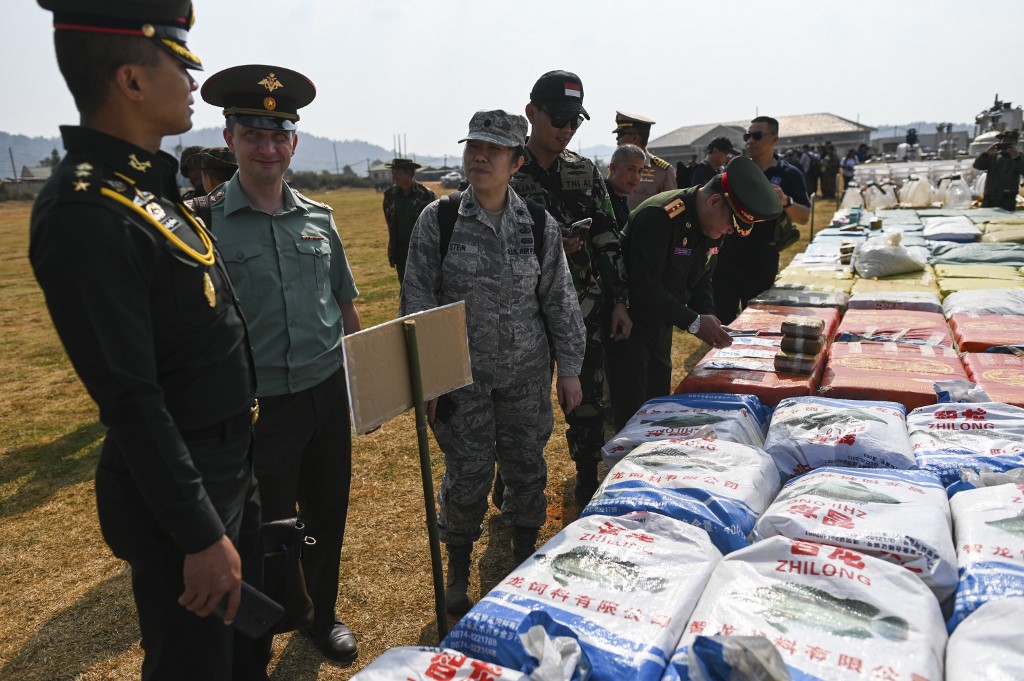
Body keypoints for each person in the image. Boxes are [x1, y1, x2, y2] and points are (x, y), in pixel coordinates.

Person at [29, 3, 267, 679]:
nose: (194, 80)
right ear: (132, 81)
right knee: (193, 664)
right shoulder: (87, 212)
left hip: (228, 465)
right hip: (181, 500)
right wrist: (198, 533)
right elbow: (132, 398)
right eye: (182, 64)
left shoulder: (149, 189)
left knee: (245, 653)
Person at [201, 64, 363, 664]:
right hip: (257, 406)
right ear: (230, 140)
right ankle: (264, 629)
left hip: (324, 394)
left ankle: (321, 614)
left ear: (294, 143)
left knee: (324, 514)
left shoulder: (319, 219)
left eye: (279, 135)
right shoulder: (206, 224)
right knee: (267, 528)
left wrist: (359, 385)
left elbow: (344, 302)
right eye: (253, 134)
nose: (267, 147)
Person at [401, 109, 585, 614]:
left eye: (494, 150)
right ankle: (458, 566)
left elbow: (559, 299)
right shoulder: (437, 220)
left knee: (527, 469)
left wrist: (569, 368)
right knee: (468, 473)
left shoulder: (541, 225)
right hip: (462, 380)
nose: (480, 157)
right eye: (473, 147)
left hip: (527, 376)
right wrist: (428, 378)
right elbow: (417, 299)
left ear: (516, 162)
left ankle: (524, 554)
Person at [510, 70, 632, 504]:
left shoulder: (584, 171)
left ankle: (585, 476)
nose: (565, 130)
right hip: (521, 315)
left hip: (584, 307)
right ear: (532, 113)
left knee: (589, 404)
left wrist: (619, 301)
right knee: (521, 408)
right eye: (557, 119)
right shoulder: (506, 173)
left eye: (574, 121)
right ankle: (513, 481)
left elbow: (608, 238)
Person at [605, 156, 782, 430]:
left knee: (657, 404)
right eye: (729, 225)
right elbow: (644, 287)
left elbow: (703, 279)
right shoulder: (661, 217)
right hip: (630, 324)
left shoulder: (715, 222)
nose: (728, 233)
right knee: (632, 408)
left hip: (662, 323)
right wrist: (694, 322)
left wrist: (707, 315)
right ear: (714, 202)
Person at [712, 116, 811, 324]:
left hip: (761, 256)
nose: (750, 141)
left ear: (774, 139)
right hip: (728, 253)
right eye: (747, 136)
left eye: (757, 136)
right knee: (722, 319)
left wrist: (785, 201)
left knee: (757, 319)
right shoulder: (734, 169)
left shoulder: (788, 174)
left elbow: (804, 217)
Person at [382, 158, 436, 287]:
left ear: (409, 173)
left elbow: (435, 226)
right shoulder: (390, 196)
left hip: (422, 250)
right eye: (393, 173)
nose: (394, 176)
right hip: (401, 251)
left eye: (398, 173)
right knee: (405, 286)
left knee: (426, 286)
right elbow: (390, 226)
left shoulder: (426, 195)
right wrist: (392, 252)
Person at [612, 111, 677, 209]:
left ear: (634, 138)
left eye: (621, 134)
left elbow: (674, 209)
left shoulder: (664, 171)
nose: (617, 139)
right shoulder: (617, 166)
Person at [974, 130, 1023, 211]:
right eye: (1004, 141)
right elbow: (978, 165)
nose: (1006, 144)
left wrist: (1016, 158)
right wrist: (986, 153)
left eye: (1010, 141)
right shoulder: (993, 156)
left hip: (1007, 199)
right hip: (990, 198)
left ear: (1015, 143)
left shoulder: (1020, 157)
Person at [605, 143, 645, 229]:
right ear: (613, 168)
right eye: (631, 169)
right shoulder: (599, 200)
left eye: (640, 171)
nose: (636, 177)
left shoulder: (620, 200)